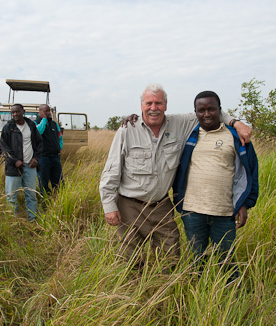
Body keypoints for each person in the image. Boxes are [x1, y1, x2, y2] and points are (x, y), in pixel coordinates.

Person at [99, 83, 251, 268]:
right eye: (149, 103)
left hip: (162, 205)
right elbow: (111, 170)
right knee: (129, 259)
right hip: (130, 205)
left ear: (166, 105)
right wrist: (109, 206)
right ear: (141, 106)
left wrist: (236, 123)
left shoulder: (179, 123)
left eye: (158, 103)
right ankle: (133, 294)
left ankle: (163, 290)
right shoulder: (127, 130)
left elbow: (209, 112)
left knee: (169, 255)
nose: (153, 108)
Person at [172, 91, 258, 281]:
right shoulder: (188, 135)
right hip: (192, 211)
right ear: (195, 112)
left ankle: (234, 297)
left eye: (211, 109)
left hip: (225, 212)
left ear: (220, 110)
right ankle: (199, 295)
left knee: (226, 259)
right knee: (197, 259)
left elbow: (250, 171)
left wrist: (245, 204)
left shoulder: (236, 137)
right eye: (201, 110)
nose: (207, 114)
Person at [0, 104, 43, 221]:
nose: (15, 114)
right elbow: (4, 147)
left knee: (31, 195)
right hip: (14, 168)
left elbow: (39, 143)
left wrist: (36, 159)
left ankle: (32, 219)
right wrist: (15, 161)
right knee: (11, 197)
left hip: (30, 166)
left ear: (23, 111)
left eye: (17, 112)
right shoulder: (8, 128)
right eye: (12, 112)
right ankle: (11, 222)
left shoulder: (31, 125)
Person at [35, 104, 63, 195]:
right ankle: (45, 203)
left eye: (48, 111)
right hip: (43, 158)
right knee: (43, 182)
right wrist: (44, 120)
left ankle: (58, 201)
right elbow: (38, 133)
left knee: (59, 182)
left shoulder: (54, 124)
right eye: (45, 111)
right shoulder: (35, 123)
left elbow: (60, 137)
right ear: (40, 112)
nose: (48, 113)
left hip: (55, 157)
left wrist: (59, 147)